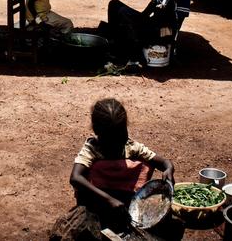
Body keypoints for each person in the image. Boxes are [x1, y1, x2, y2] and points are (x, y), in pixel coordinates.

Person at [69, 98, 175, 232]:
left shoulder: (130, 146)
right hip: (97, 202)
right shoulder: (92, 149)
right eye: (111, 140)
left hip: (124, 202)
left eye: (122, 136)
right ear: (96, 131)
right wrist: (109, 200)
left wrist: (169, 169)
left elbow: (164, 163)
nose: (118, 144)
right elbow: (75, 177)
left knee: (144, 163)